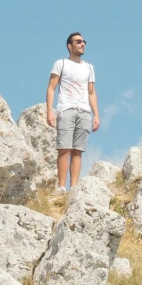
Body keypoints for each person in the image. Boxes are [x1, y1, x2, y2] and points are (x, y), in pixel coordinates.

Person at [45, 32, 99, 190]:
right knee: (64, 148)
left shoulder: (89, 67)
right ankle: (61, 187)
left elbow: (91, 92)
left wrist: (96, 114)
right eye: (78, 42)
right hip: (66, 109)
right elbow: (51, 88)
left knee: (78, 150)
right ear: (70, 46)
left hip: (84, 111)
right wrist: (50, 111)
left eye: (84, 42)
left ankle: (74, 187)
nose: (82, 44)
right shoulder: (60, 63)